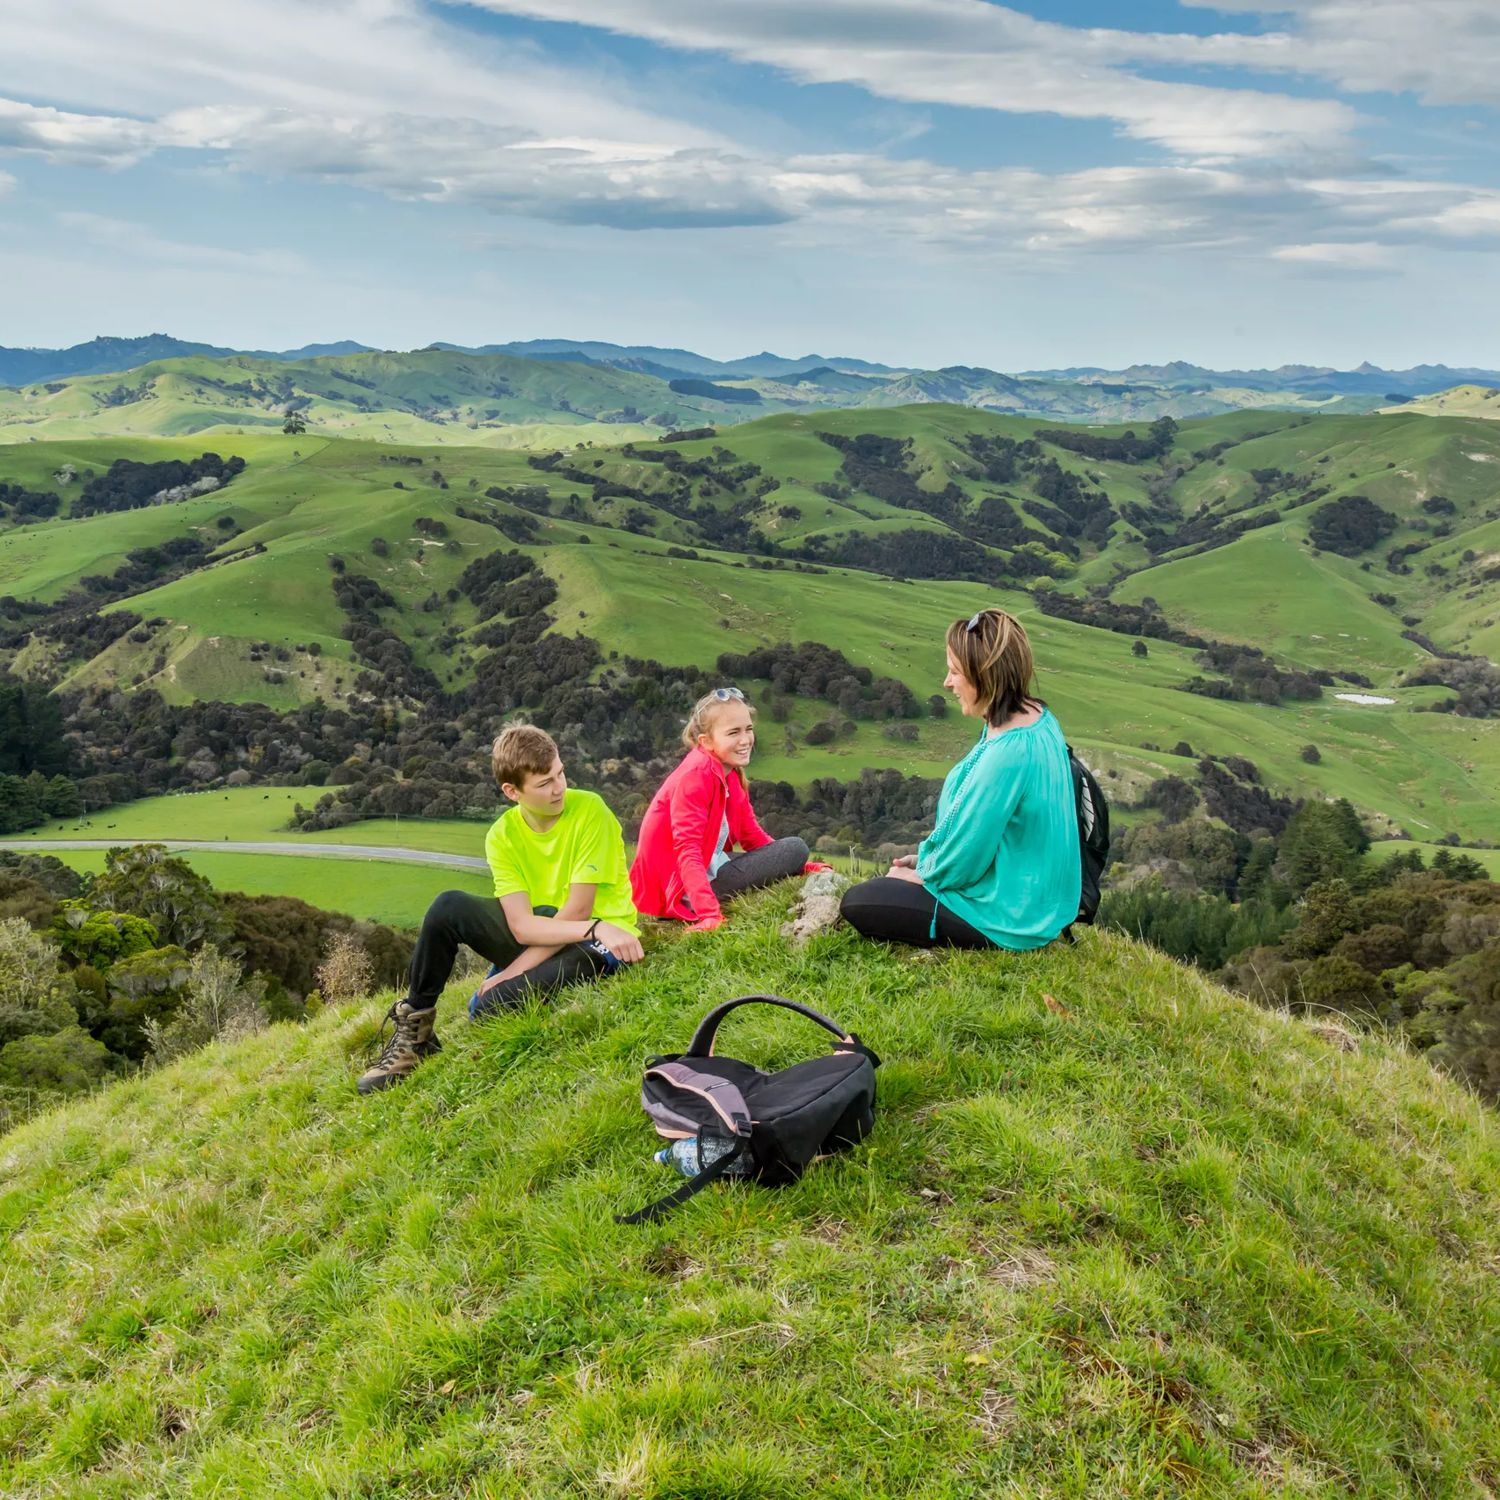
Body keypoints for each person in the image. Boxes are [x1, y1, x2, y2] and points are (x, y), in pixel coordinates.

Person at [358, 722, 643, 1093]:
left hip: (601, 941)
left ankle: (529, 987)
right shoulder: (502, 835)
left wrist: (512, 972)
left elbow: (577, 912)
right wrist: (514, 968)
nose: (559, 788)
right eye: (544, 783)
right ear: (512, 791)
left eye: (560, 773)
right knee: (448, 907)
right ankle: (416, 1032)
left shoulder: (590, 810)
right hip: (548, 930)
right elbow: (522, 926)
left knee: (488, 1008)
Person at [840, 608, 1081, 951]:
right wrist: (925, 858)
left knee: (860, 901)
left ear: (986, 676)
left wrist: (924, 875)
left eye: (955, 672)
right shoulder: (1038, 717)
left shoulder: (1006, 754)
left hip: (1012, 915)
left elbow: (967, 859)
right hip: (1038, 897)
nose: (947, 682)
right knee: (891, 884)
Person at [630, 686, 827, 931]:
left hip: (705, 868)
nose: (745, 740)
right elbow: (687, 849)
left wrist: (793, 867)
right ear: (706, 741)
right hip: (678, 890)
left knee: (792, 852)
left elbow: (751, 835)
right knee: (796, 847)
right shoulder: (696, 776)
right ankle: (698, 905)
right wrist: (709, 914)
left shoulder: (729, 773)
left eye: (748, 729)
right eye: (733, 732)